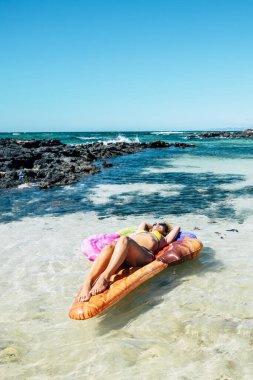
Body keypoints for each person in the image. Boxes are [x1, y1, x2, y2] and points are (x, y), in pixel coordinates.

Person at [78, 222, 180, 302]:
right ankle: (87, 283)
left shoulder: (164, 238)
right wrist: (151, 227)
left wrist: (164, 228)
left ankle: (105, 277)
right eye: (156, 224)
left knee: (124, 239)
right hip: (124, 253)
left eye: (161, 225)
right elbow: (144, 223)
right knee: (109, 246)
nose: (157, 225)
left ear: (165, 231)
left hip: (143, 255)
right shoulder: (141, 231)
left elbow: (177, 227)